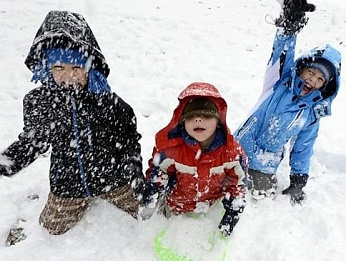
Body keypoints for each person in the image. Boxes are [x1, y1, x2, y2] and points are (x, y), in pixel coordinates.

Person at [0, 10, 144, 236]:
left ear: (90, 67)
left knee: (146, 214)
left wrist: (135, 175)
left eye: (77, 67)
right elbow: (30, 146)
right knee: (49, 232)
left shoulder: (108, 102)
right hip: (67, 185)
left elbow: (129, 139)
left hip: (114, 179)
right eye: (59, 68)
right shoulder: (40, 103)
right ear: (46, 68)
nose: (69, 76)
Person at [234, 0, 342, 204]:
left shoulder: (311, 114)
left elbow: (303, 146)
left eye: (320, 80)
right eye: (311, 72)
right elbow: (282, 53)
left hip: (264, 164)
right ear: (301, 69)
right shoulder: (279, 82)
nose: (313, 80)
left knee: (261, 199)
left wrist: (298, 178)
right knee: (221, 187)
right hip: (236, 148)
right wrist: (288, 26)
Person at [140, 82, 247, 237]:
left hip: (211, 204)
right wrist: (152, 195)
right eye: (191, 116)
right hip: (178, 204)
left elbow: (237, 184)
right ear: (183, 121)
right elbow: (158, 173)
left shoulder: (231, 153)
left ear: (218, 122)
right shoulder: (171, 150)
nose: (198, 119)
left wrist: (232, 212)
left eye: (207, 115)